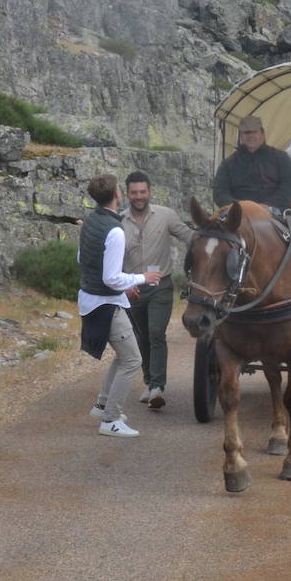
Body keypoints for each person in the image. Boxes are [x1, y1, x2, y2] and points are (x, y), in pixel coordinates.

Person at [79, 174, 163, 438]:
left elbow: (84, 258)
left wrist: (123, 285)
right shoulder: (114, 230)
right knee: (133, 360)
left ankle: (103, 404)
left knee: (125, 353)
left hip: (95, 299)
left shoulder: (90, 221)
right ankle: (110, 419)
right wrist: (142, 278)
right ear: (118, 195)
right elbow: (111, 277)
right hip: (106, 303)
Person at [120, 170, 193, 410]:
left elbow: (189, 236)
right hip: (133, 289)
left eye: (143, 192)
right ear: (127, 194)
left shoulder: (166, 215)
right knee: (141, 337)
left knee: (155, 333)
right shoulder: (119, 222)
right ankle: (149, 381)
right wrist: (124, 285)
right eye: (134, 192)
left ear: (150, 192)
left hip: (160, 286)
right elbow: (114, 258)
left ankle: (158, 387)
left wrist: (215, 235)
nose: (139, 196)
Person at [212, 115, 291, 211]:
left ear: (262, 134)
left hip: (274, 212)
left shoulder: (281, 158)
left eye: (254, 132)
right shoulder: (228, 163)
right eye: (246, 132)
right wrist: (239, 207)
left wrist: (268, 205)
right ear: (241, 136)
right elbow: (219, 192)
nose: (251, 135)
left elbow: (290, 186)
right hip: (237, 214)